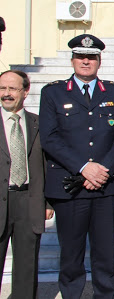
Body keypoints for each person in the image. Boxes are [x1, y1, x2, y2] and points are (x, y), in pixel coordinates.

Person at [39, 34, 114, 299]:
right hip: (70, 186)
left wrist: (102, 170)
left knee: (104, 253)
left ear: (99, 61)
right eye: (81, 56)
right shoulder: (53, 92)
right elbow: (50, 137)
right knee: (71, 253)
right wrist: (84, 168)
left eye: (91, 57)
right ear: (72, 60)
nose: (86, 61)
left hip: (106, 185)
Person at [0, 70, 54, 298]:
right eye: (2, 88)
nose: (6, 94)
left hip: (29, 201)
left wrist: (48, 202)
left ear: (25, 91)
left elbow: (47, 164)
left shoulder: (39, 123)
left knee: (26, 269)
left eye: (12, 88)